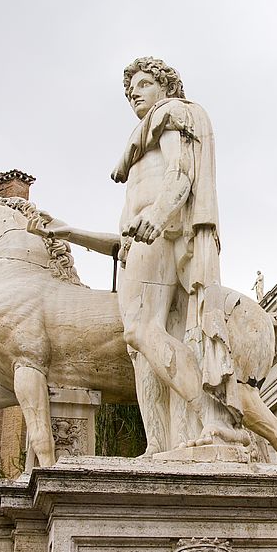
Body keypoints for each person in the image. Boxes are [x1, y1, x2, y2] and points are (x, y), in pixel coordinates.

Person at [28, 56, 240, 454]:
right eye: (130, 91)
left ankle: (214, 416)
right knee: (143, 349)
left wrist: (158, 215)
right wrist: (69, 230)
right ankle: (161, 445)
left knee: (140, 331)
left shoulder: (171, 115)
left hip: (160, 231)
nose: (134, 95)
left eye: (142, 85)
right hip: (143, 239)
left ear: (165, 86)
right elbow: (122, 238)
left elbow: (181, 175)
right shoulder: (142, 144)